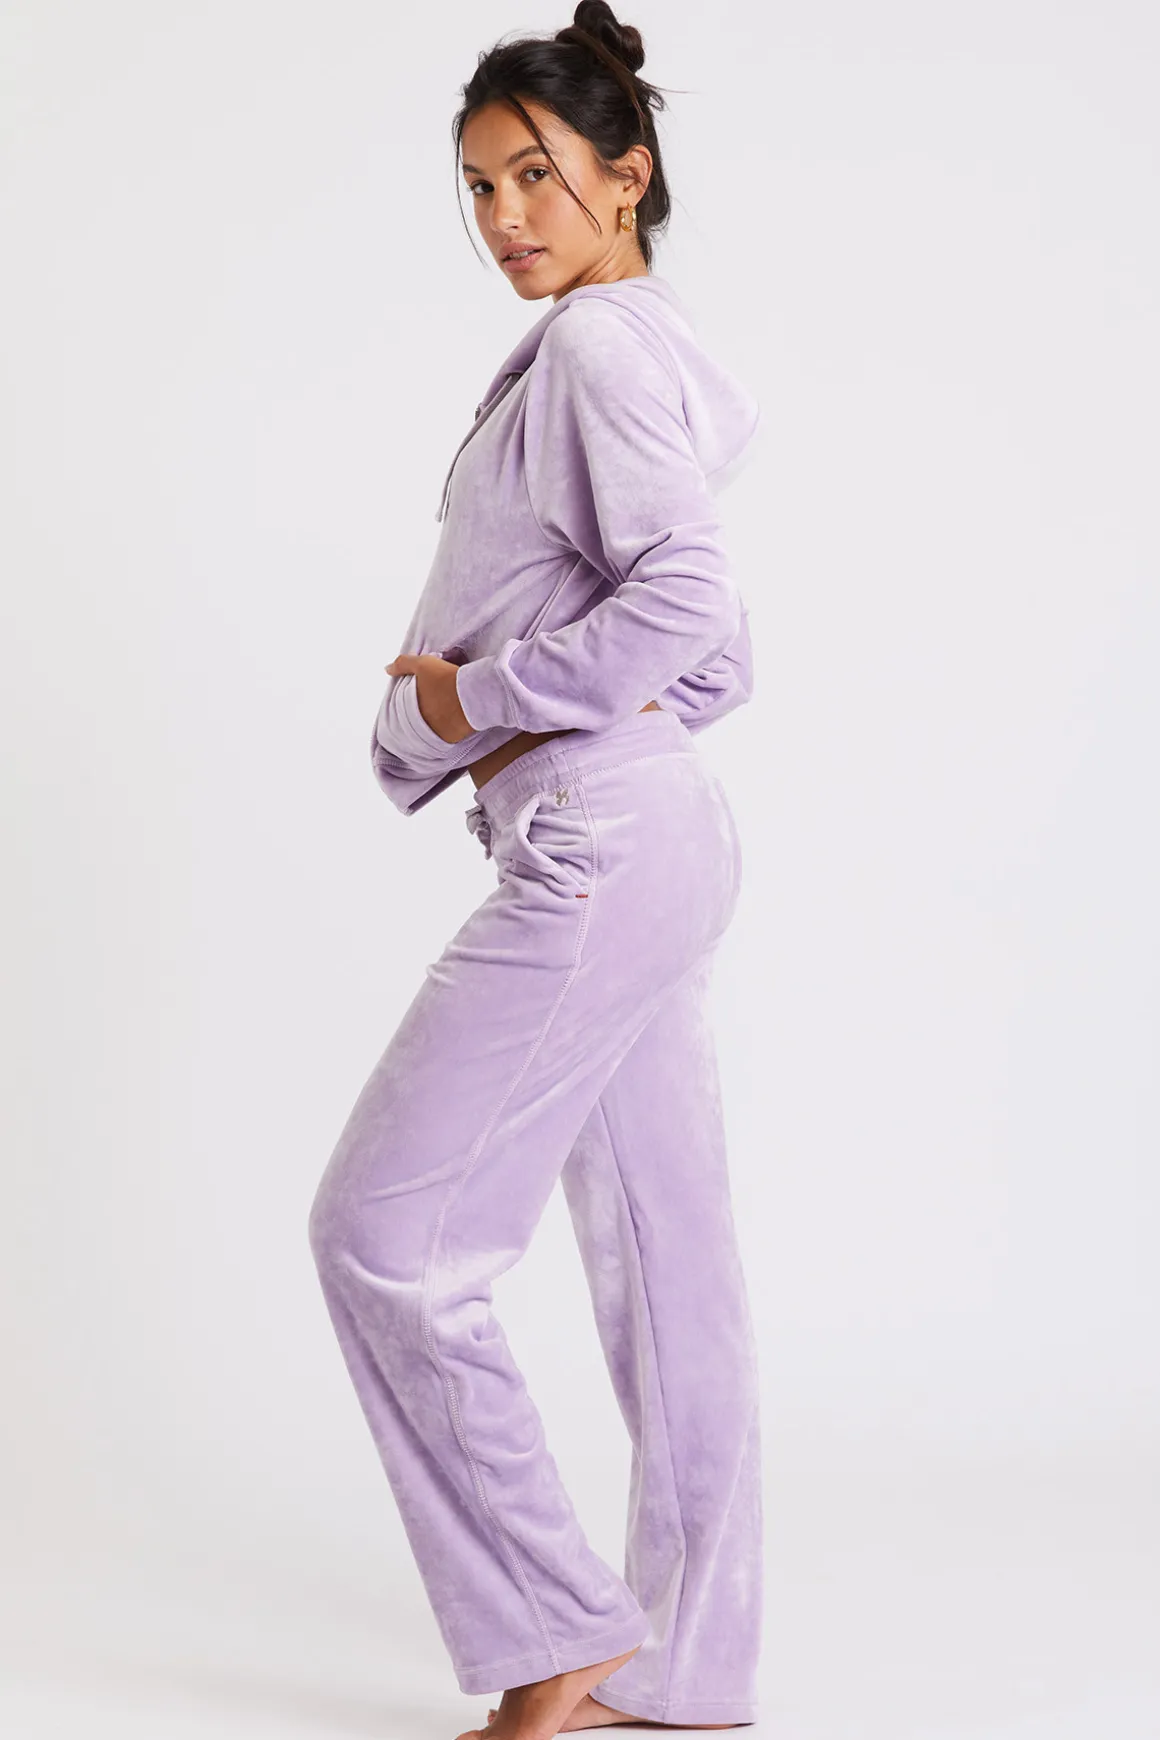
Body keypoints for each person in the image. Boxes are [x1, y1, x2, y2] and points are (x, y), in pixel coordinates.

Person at [308, 6, 765, 1738]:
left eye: (536, 176)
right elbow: (714, 655)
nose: (505, 217)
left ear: (624, 175)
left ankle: (554, 1631)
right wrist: (551, 716)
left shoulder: (590, 352)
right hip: (650, 825)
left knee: (386, 1234)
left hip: (603, 836)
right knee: (666, 1264)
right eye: (479, 185)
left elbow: (695, 615)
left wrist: (474, 698)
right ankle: (685, 1661)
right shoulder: (639, 353)